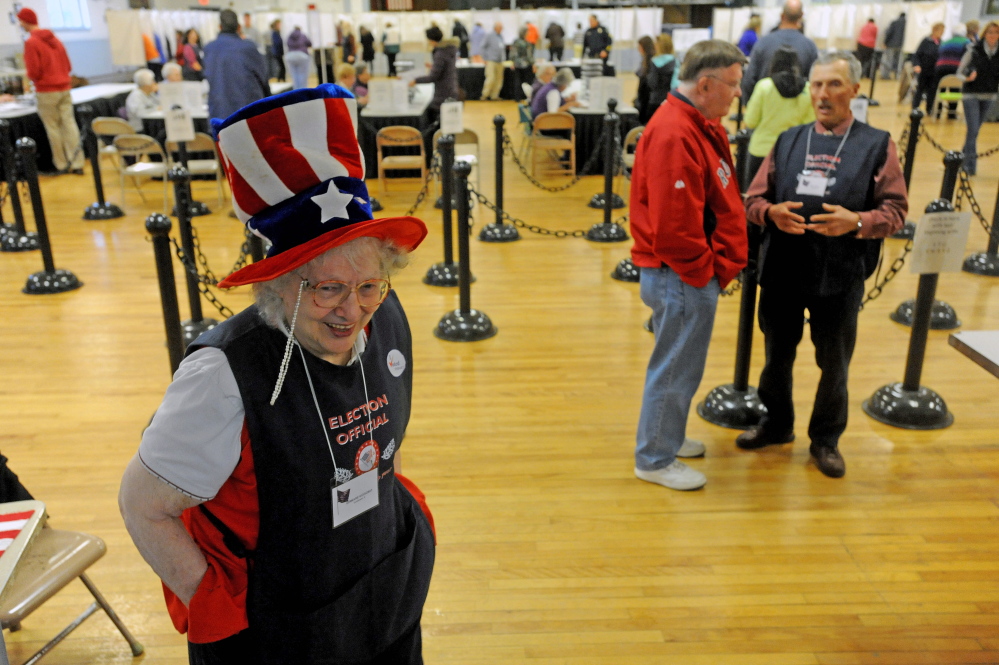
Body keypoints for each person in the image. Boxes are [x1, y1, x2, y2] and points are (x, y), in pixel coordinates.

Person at [118, 83, 435, 665]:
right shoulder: (223, 376)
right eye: (326, 289)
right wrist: (225, 615)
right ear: (275, 284)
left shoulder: (384, 314)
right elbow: (142, 504)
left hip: (385, 592)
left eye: (368, 284)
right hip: (282, 631)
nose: (352, 309)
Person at [739, 51, 907, 478]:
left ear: (854, 89)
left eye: (833, 84)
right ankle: (776, 425)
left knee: (834, 363)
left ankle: (826, 439)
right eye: (816, 85)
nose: (822, 94)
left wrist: (858, 221)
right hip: (783, 269)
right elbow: (753, 200)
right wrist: (770, 214)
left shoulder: (877, 144)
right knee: (777, 355)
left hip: (840, 273)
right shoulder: (788, 139)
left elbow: (896, 211)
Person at [630, 40, 749, 492]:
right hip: (680, 275)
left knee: (682, 365)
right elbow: (674, 227)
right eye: (733, 84)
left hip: (686, 275)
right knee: (675, 367)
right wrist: (704, 273)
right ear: (705, 83)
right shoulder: (676, 132)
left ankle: (667, 436)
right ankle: (654, 458)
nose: (738, 93)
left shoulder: (695, 123)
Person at [18, 7, 84, 175]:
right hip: (64, 88)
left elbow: (34, 70)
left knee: (53, 128)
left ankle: (61, 164)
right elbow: (68, 66)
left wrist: (35, 78)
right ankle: (77, 162)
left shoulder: (31, 42)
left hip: (46, 90)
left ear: (24, 21)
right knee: (69, 124)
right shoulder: (56, 40)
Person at [743, 47, 815, 184]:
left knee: (754, 199)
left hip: (761, 150)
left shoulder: (764, 87)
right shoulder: (808, 89)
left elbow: (750, 121)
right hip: (793, 153)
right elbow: (810, 124)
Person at [741, 0, 818, 102]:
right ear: (801, 16)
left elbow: (749, 80)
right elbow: (815, 82)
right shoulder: (810, 46)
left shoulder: (763, 43)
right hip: (799, 112)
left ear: (781, 16)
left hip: (766, 108)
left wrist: (750, 106)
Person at [204, 10, 270, 121]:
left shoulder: (209, 49)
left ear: (219, 27)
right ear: (239, 27)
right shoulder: (248, 48)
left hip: (219, 112)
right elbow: (263, 77)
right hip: (248, 111)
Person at [959, 21, 999, 176]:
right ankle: (970, 166)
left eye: (996, 32)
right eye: (990, 32)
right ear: (984, 34)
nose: (993, 35)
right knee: (973, 129)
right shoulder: (974, 50)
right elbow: (960, 71)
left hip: (989, 95)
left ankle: (960, 159)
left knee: (974, 132)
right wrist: (968, 77)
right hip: (971, 94)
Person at [411, 27, 459, 125]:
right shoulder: (449, 50)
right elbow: (446, 68)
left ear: (431, 40)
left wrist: (416, 80)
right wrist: (434, 66)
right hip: (451, 89)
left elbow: (433, 77)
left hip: (442, 93)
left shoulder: (440, 53)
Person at [933, 25, 969, 119]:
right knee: (955, 89)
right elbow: (968, 56)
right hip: (955, 68)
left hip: (940, 68)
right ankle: (951, 114)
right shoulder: (966, 42)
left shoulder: (945, 42)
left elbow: (939, 53)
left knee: (941, 89)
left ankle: (938, 112)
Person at [911, 22, 944, 113]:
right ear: (934, 30)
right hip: (924, 69)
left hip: (935, 71)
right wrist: (917, 65)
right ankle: (915, 107)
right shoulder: (926, 41)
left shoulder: (941, 42)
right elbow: (917, 55)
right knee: (920, 89)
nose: (941, 33)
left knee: (932, 90)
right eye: (940, 31)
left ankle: (929, 109)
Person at [480, 23, 506, 102]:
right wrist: (484, 58)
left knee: (499, 79)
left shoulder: (501, 36)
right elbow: (482, 46)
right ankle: (485, 95)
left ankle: (494, 95)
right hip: (491, 60)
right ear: (495, 28)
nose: (501, 29)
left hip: (500, 61)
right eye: (500, 27)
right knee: (490, 78)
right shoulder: (489, 36)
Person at [285, 26, 312, 90]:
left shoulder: (289, 36)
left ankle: (296, 90)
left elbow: (287, 44)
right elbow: (309, 43)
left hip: (290, 56)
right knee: (302, 75)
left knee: (294, 75)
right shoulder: (303, 35)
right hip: (302, 55)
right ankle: (303, 90)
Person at [512, 27, 535, 97]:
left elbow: (513, 54)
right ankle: (526, 96)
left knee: (517, 81)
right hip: (526, 65)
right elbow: (529, 55)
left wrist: (513, 62)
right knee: (526, 82)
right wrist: (532, 63)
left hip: (517, 64)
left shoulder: (515, 42)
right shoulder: (527, 43)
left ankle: (517, 97)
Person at [882, 12, 906, 80]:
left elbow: (889, 32)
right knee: (899, 62)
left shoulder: (895, 22)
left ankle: (886, 76)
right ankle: (897, 76)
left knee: (889, 60)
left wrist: (885, 42)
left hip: (891, 44)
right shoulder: (908, 24)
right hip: (901, 45)